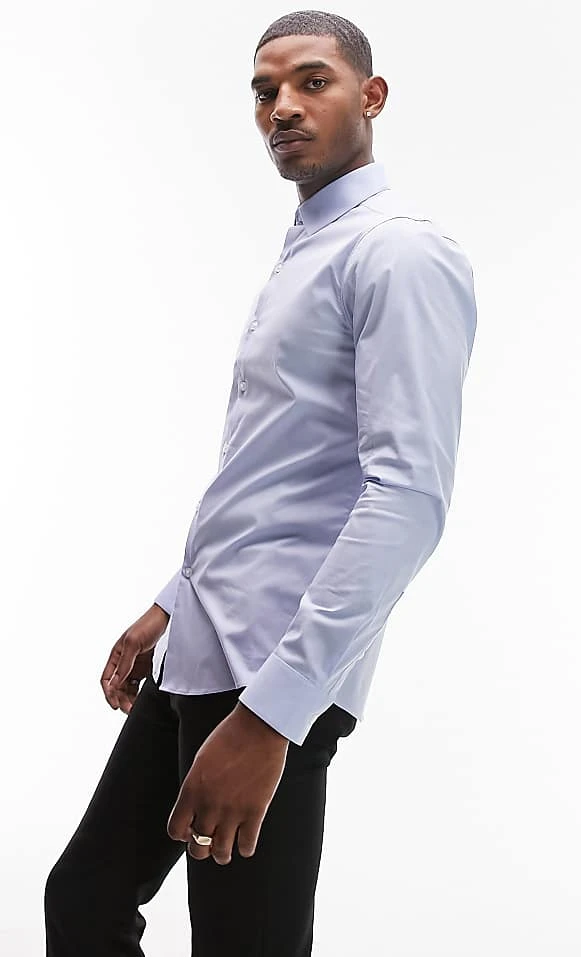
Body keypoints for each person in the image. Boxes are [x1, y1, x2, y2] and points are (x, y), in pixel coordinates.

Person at [44, 9, 477, 956]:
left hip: (272, 670)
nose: (282, 106)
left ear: (372, 96)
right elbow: (276, 468)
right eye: (264, 90)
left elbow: (408, 497)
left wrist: (274, 714)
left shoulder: (398, 251)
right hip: (204, 643)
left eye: (312, 82)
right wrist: (173, 601)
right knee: (83, 901)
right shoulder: (311, 244)